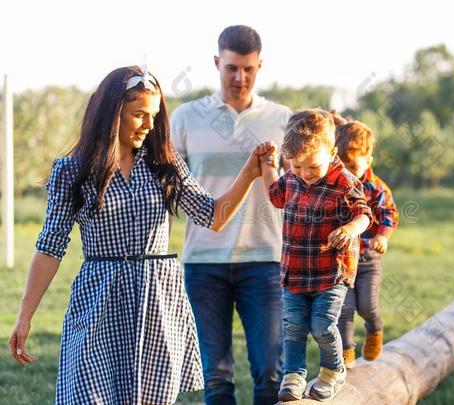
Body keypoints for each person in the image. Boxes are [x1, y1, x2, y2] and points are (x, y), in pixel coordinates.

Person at [8, 65, 266, 405]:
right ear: (112, 113)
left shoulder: (164, 163)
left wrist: (249, 173)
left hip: (157, 299)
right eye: (139, 115)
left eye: (155, 116)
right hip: (99, 299)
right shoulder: (72, 169)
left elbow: (212, 216)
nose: (150, 125)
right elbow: (51, 246)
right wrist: (25, 315)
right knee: (89, 394)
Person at [170, 25, 291, 405]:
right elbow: (169, 188)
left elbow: (300, 185)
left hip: (265, 260)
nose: (240, 77)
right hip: (204, 262)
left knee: (270, 371)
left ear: (260, 66)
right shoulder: (187, 117)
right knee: (217, 377)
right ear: (217, 63)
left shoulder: (282, 118)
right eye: (232, 68)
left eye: (249, 69)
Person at [258, 109, 372, 402]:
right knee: (293, 326)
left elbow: (364, 215)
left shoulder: (344, 183)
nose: (305, 174)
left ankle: (333, 371)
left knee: (322, 324)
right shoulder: (293, 178)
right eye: (297, 167)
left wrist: (349, 229)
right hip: (294, 271)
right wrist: (269, 166)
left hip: (330, 272)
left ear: (332, 152)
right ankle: (294, 374)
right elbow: (274, 193)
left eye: (312, 167)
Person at [335, 121, 399, 369]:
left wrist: (382, 236)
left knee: (367, 305)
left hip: (368, 259)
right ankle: (347, 351)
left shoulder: (377, 188)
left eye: (353, 166)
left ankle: (375, 328)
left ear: (368, 160)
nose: (349, 172)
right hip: (341, 260)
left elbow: (389, 213)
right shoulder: (336, 185)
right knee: (344, 307)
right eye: (343, 166)